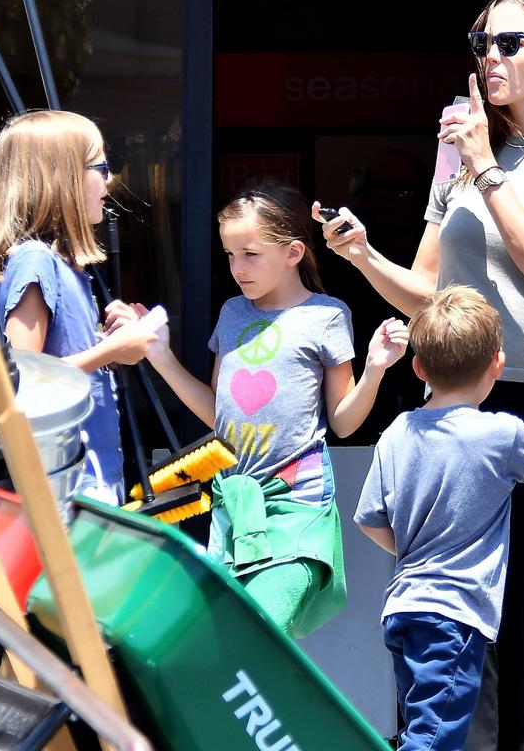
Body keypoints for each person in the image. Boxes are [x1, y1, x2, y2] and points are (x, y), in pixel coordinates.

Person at [318, 0, 524, 749]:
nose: (489, 56)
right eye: (480, 41)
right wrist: (362, 256)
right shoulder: (458, 151)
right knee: (456, 621)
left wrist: (486, 168)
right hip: (451, 405)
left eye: (509, 43)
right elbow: (429, 291)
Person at [141, 182, 408, 636]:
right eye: (229, 255)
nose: (236, 268)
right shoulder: (232, 312)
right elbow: (217, 413)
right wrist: (160, 356)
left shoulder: (327, 315)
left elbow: (343, 421)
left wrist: (376, 370)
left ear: (293, 253)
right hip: (232, 504)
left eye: (250, 254)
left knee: (256, 635)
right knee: (232, 638)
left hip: (295, 503)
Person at [354, 285, 524, 751]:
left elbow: (369, 518)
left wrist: (416, 549)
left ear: (417, 367)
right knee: (433, 740)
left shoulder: (397, 431)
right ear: (497, 364)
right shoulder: (498, 433)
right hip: (454, 615)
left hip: (404, 608)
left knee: (421, 725)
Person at [0, 110, 158, 505]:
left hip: (87, 476)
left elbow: (61, 359)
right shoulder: (35, 261)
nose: (110, 179)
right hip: (65, 487)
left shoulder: (64, 265)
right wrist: (111, 352)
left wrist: (110, 343)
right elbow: (22, 380)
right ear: (61, 177)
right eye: (101, 167)